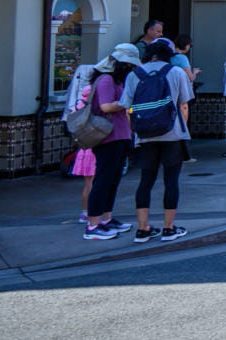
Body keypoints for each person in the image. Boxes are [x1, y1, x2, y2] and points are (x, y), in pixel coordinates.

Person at [121, 37, 193, 242]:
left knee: (146, 180)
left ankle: (143, 229)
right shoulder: (176, 72)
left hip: (145, 135)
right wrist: (182, 130)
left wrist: (136, 129)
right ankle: (168, 228)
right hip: (172, 134)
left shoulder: (134, 75)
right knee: (171, 180)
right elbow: (184, 106)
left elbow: (127, 109)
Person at [82, 44, 141, 240]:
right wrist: (126, 102)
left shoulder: (114, 80)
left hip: (120, 135)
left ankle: (106, 218)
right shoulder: (106, 80)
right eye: (129, 65)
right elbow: (106, 106)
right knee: (103, 180)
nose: (131, 69)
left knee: (113, 180)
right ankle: (93, 224)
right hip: (109, 137)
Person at [64, 64, 98, 223]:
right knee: (98, 184)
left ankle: (85, 212)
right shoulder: (97, 99)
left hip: (85, 146)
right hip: (96, 145)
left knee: (88, 184)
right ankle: (95, 214)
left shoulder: (81, 102)